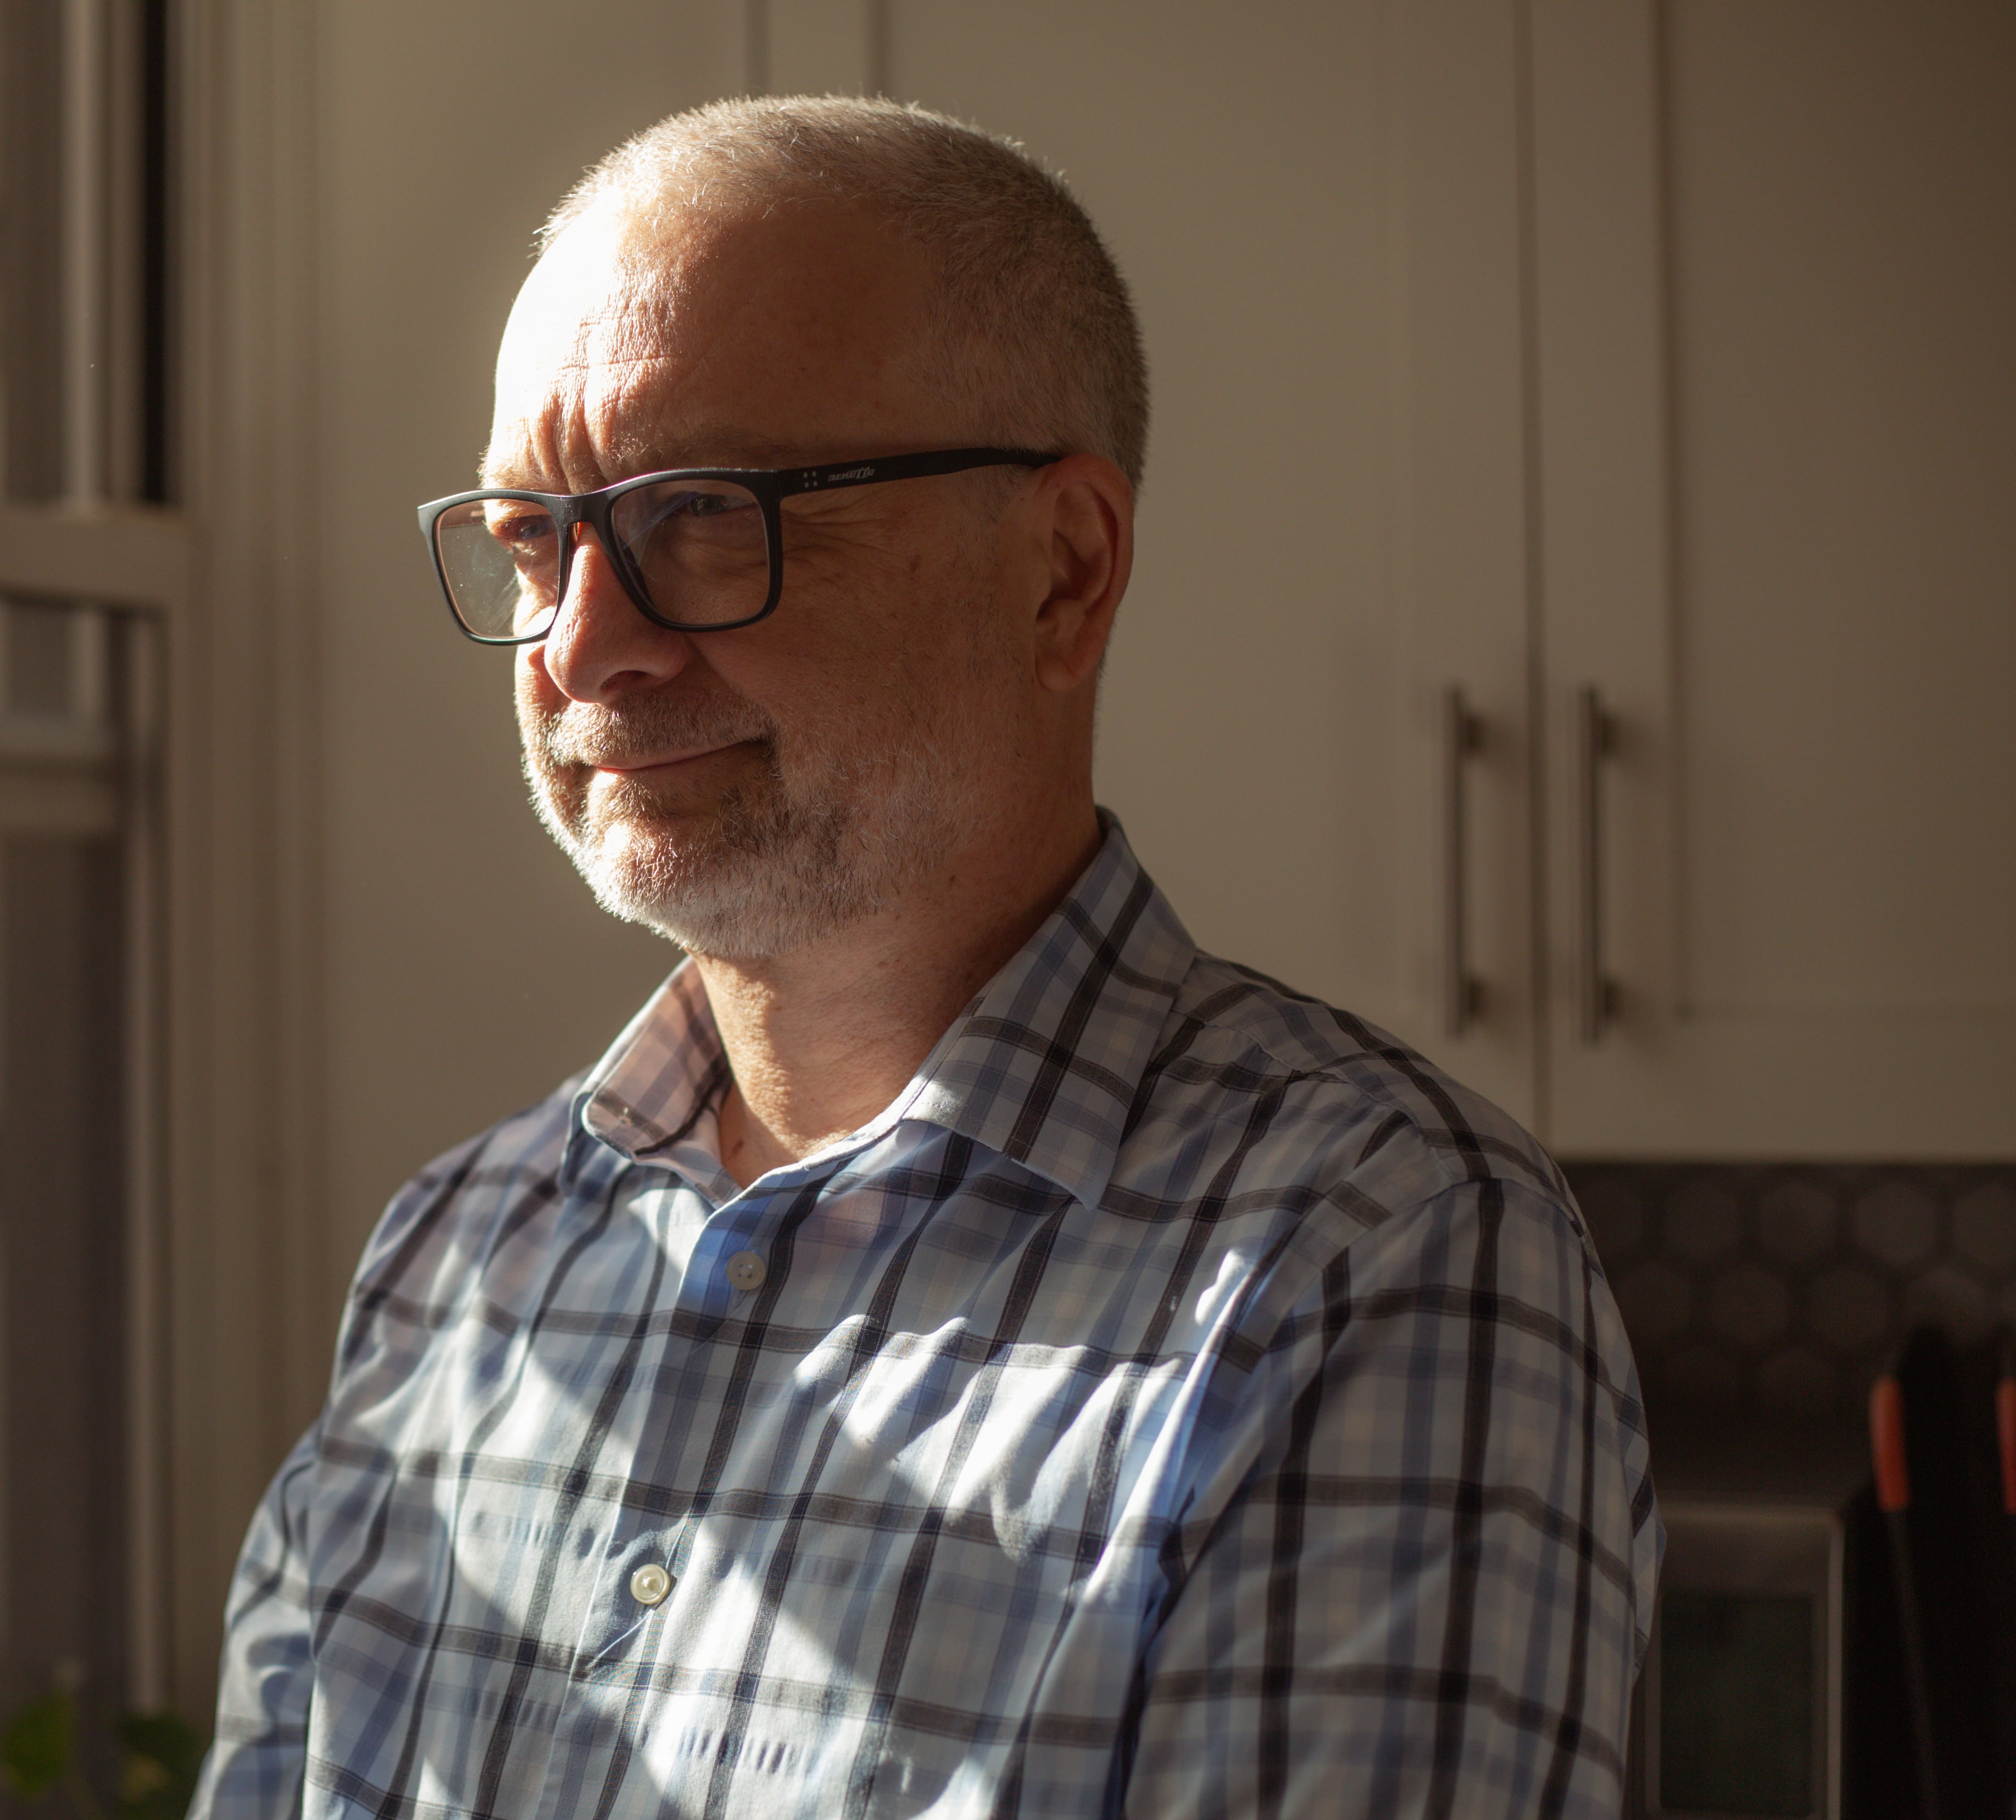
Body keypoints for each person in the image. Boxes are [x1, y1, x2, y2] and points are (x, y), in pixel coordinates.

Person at [195, 95, 1659, 1819]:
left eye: (706, 517)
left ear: (1063, 569)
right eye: (535, 537)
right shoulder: (460, 1260)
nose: (586, 645)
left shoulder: (1370, 1261)